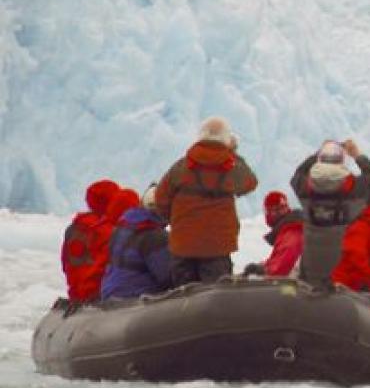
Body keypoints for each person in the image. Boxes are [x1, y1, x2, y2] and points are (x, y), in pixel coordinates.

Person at [155, 116, 258, 285]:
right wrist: (232, 152)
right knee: (215, 298)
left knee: (182, 299)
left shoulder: (181, 167)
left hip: (183, 245)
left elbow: (161, 199)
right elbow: (249, 183)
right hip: (217, 248)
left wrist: (177, 222)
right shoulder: (231, 167)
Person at [290, 139, 370, 290]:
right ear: (341, 161)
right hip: (342, 277)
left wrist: (317, 153)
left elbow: (298, 176)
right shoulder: (355, 190)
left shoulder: (306, 189)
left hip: (311, 274)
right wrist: (357, 155)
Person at [101, 184, 172, 300]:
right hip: (135, 298)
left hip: (109, 295)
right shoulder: (155, 237)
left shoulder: (121, 229)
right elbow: (168, 277)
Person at [61, 179, 121, 302]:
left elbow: (65, 264)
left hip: (76, 295)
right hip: (98, 296)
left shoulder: (73, 229)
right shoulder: (107, 230)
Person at [244, 191, 305, 277]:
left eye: (268, 211)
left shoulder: (292, 234)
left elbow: (280, 270)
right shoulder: (291, 230)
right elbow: (279, 259)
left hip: (295, 287)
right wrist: (262, 266)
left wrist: (261, 271)